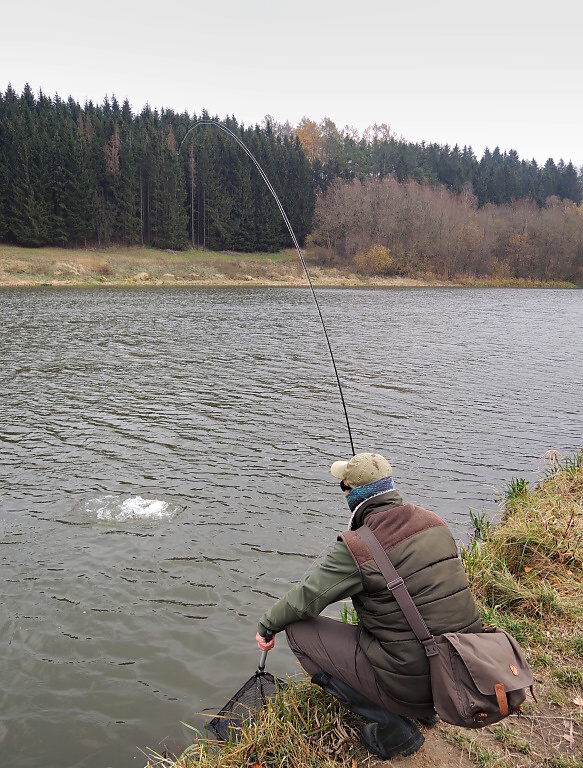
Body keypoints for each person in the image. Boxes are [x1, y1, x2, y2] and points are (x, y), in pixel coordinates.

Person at [256, 452, 482, 759]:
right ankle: (427, 711)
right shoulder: (435, 523)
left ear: (351, 494)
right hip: (459, 672)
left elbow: (305, 599)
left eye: (343, 486)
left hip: (415, 682)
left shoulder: (358, 547)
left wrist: (267, 625)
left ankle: (393, 727)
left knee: (297, 630)